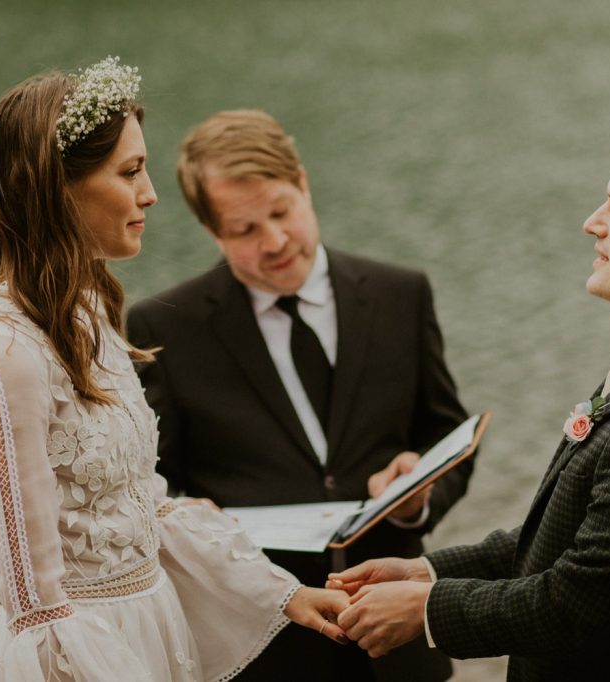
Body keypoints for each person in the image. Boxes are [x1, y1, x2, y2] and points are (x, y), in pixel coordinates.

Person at [327, 105, 610, 681]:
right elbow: (571, 536)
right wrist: (429, 573)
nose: (592, 222)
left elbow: (578, 607)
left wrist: (427, 612)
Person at [0, 57, 349, 682]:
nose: (150, 193)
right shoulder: (1, 348)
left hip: (157, 629)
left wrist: (279, 593)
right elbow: (36, 602)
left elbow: (146, 512)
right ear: (56, 187)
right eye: (129, 172)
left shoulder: (86, 311)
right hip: (90, 656)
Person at [125, 109, 470, 681]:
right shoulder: (163, 328)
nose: (276, 241)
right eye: (245, 230)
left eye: (282, 212)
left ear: (304, 184)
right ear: (212, 231)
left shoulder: (399, 294)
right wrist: (184, 514)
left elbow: (444, 432)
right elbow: (150, 486)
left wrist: (418, 495)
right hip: (259, 652)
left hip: (397, 645)